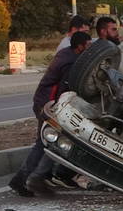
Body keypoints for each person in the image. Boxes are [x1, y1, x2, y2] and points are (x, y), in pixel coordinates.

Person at [10, 31, 92, 197]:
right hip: (49, 104)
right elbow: (65, 89)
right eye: (88, 45)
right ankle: (28, 178)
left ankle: (24, 179)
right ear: (80, 46)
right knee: (48, 142)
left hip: (44, 101)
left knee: (44, 142)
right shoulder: (71, 63)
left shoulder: (66, 54)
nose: (90, 49)